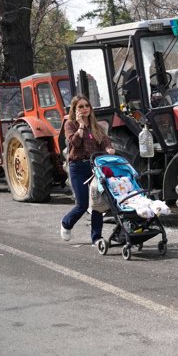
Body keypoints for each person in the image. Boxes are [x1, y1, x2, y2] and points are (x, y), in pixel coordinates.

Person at [60, 95, 115, 245]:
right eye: (80, 106)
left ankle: (96, 237)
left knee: (97, 204)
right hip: (77, 167)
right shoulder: (70, 124)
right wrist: (81, 125)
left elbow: (104, 140)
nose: (84, 109)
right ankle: (66, 223)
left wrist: (108, 148)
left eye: (86, 106)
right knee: (82, 205)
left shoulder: (96, 126)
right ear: (75, 109)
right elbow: (75, 143)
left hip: (93, 167)